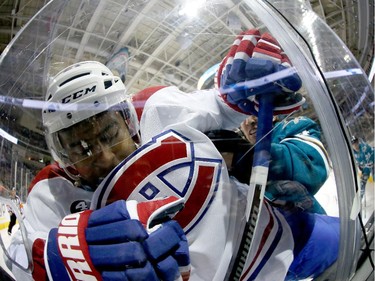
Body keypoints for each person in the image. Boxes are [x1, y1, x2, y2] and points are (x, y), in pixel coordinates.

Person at [7, 29, 339, 281]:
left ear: (128, 119)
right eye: (80, 150)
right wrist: (52, 261)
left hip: (279, 238)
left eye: (109, 135)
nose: (104, 156)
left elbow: (226, 101)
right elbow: (21, 254)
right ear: (61, 154)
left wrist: (247, 79)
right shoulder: (51, 190)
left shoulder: (154, 108)